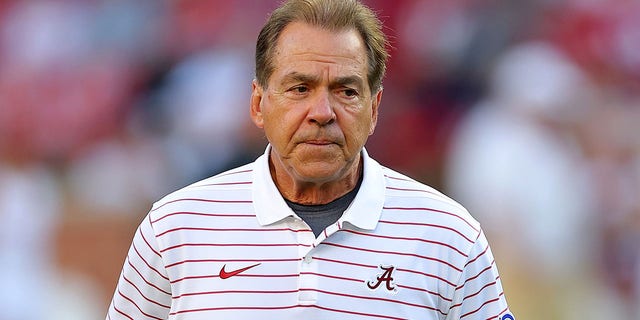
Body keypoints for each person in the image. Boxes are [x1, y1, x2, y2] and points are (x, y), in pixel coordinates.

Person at [106, 0, 514, 319]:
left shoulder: (448, 236)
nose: (322, 111)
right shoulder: (176, 228)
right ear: (258, 103)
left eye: (346, 91)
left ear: (374, 109)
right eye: (300, 88)